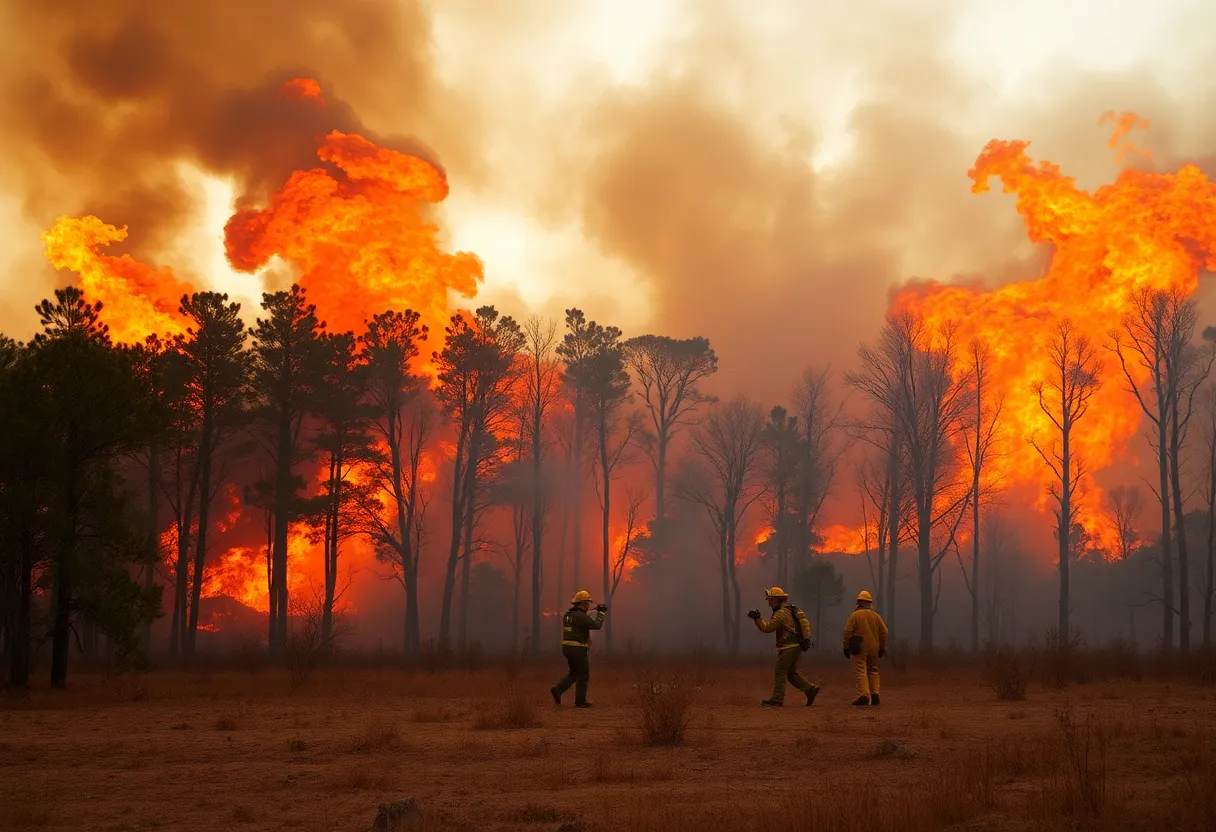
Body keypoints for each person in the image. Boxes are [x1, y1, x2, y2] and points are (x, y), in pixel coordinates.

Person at [748, 586, 820, 707]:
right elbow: (805, 622)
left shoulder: (780, 614)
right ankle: (810, 689)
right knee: (791, 674)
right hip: (796, 647)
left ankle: (777, 699)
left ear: (778, 600)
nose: (769, 603)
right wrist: (807, 637)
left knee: (779, 671)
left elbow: (767, 628)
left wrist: (757, 619)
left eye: (771, 600)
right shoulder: (794, 609)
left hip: (788, 648)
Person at [550, 590, 607, 708]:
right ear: (583, 603)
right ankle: (580, 702)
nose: (588, 605)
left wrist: (595, 609)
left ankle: (558, 689)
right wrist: (601, 613)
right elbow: (596, 625)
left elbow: (581, 621)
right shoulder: (580, 616)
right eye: (587, 603)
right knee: (583, 674)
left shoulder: (568, 615)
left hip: (567, 648)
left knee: (574, 673)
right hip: (578, 649)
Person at [841, 590, 888, 706]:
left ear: (858, 602)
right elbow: (884, 632)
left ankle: (864, 696)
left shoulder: (855, 615)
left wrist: (845, 647)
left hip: (859, 648)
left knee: (860, 671)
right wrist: (882, 647)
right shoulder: (876, 616)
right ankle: (875, 694)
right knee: (873, 671)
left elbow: (847, 632)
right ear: (870, 603)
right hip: (874, 648)